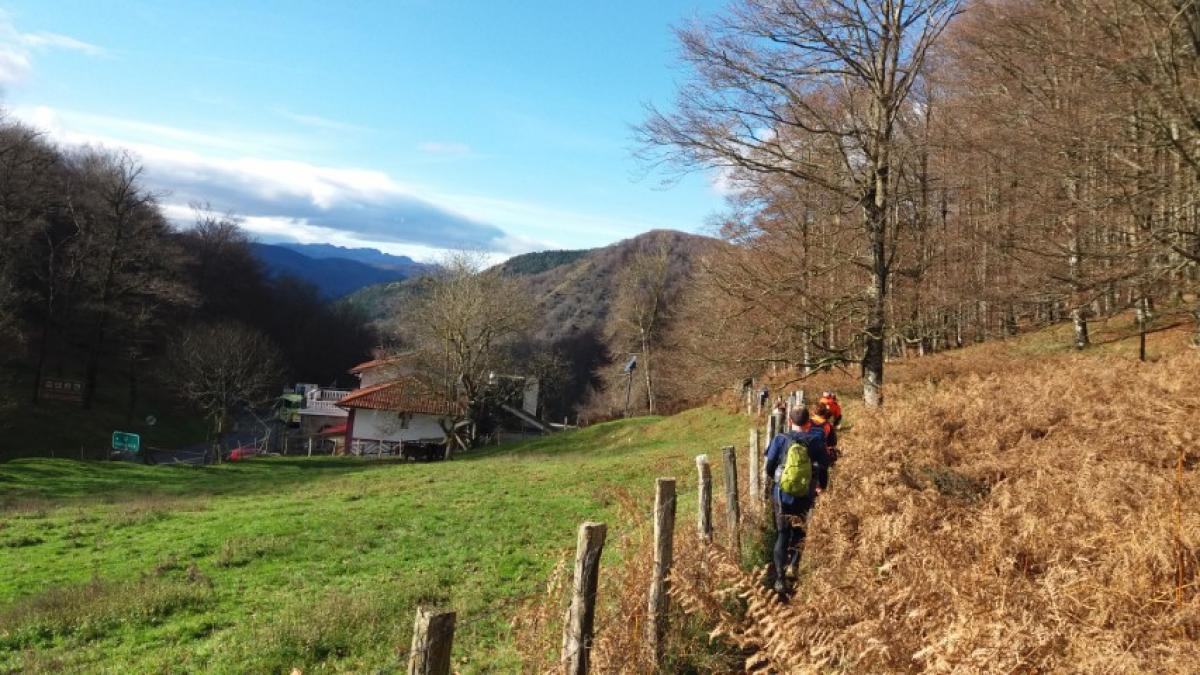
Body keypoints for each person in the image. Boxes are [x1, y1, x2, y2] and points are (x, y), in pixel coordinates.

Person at [764, 407, 829, 597]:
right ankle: (794, 566)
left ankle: (779, 579)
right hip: (805, 493)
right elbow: (824, 466)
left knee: (783, 534)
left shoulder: (780, 439)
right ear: (809, 423)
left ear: (790, 422)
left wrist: (778, 480)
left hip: (781, 495)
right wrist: (821, 486)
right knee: (800, 530)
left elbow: (768, 467)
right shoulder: (815, 441)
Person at [811, 403, 839, 491]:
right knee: (823, 472)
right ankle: (822, 490)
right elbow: (833, 442)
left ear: (813, 412)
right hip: (822, 454)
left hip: (809, 452)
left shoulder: (807, 422)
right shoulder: (828, 425)